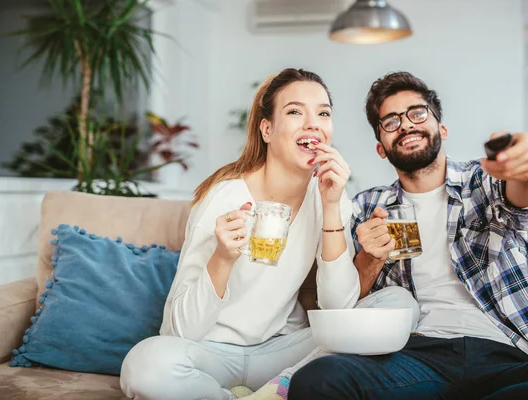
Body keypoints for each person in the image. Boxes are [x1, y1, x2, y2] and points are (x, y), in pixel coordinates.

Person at [288, 71, 528, 399]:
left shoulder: (483, 182)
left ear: (442, 129)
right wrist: (370, 258)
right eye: (390, 121)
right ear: (381, 147)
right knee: (318, 379)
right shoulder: (367, 206)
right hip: (417, 358)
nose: (405, 124)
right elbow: (345, 305)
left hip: (506, 356)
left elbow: (525, 202)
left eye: (417, 113)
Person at [119, 68, 362, 400]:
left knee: (396, 305)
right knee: (144, 366)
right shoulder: (225, 198)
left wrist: (332, 206)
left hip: (283, 350)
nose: (312, 123)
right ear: (267, 128)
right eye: (294, 111)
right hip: (214, 353)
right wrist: (223, 257)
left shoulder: (329, 194)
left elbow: (339, 309)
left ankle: (279, 385)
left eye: (323, 113)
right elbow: (177, 331)